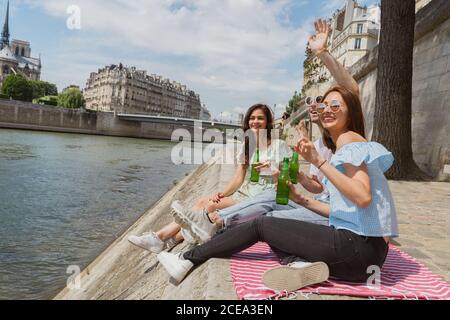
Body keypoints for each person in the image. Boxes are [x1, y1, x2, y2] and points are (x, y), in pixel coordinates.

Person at [156, 67, 399, 292]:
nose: (327, 110)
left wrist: (318, 161)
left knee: (262, 224)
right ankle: (299, 265)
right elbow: (342, 211)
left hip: (358, 248)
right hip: (366, 258)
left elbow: (363, 197)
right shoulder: (346, 142)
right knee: (278, 225)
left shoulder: (348, 140)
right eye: (324, 105)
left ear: (351, 110)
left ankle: (186, 259)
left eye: (336, 105)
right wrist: (302, 200)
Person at [128, 103, 292, 251]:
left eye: (260, 118)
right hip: (244, 195)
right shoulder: (247, 145)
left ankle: (159, 237)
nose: (255, 121)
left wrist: (273, 171)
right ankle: (168, 240)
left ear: (268, 122)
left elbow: (288, 179)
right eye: (252, 118)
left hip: (262, 199)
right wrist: (222, 193)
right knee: (206, 204)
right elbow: (238, 178)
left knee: (206, 206)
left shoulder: (279, 146)